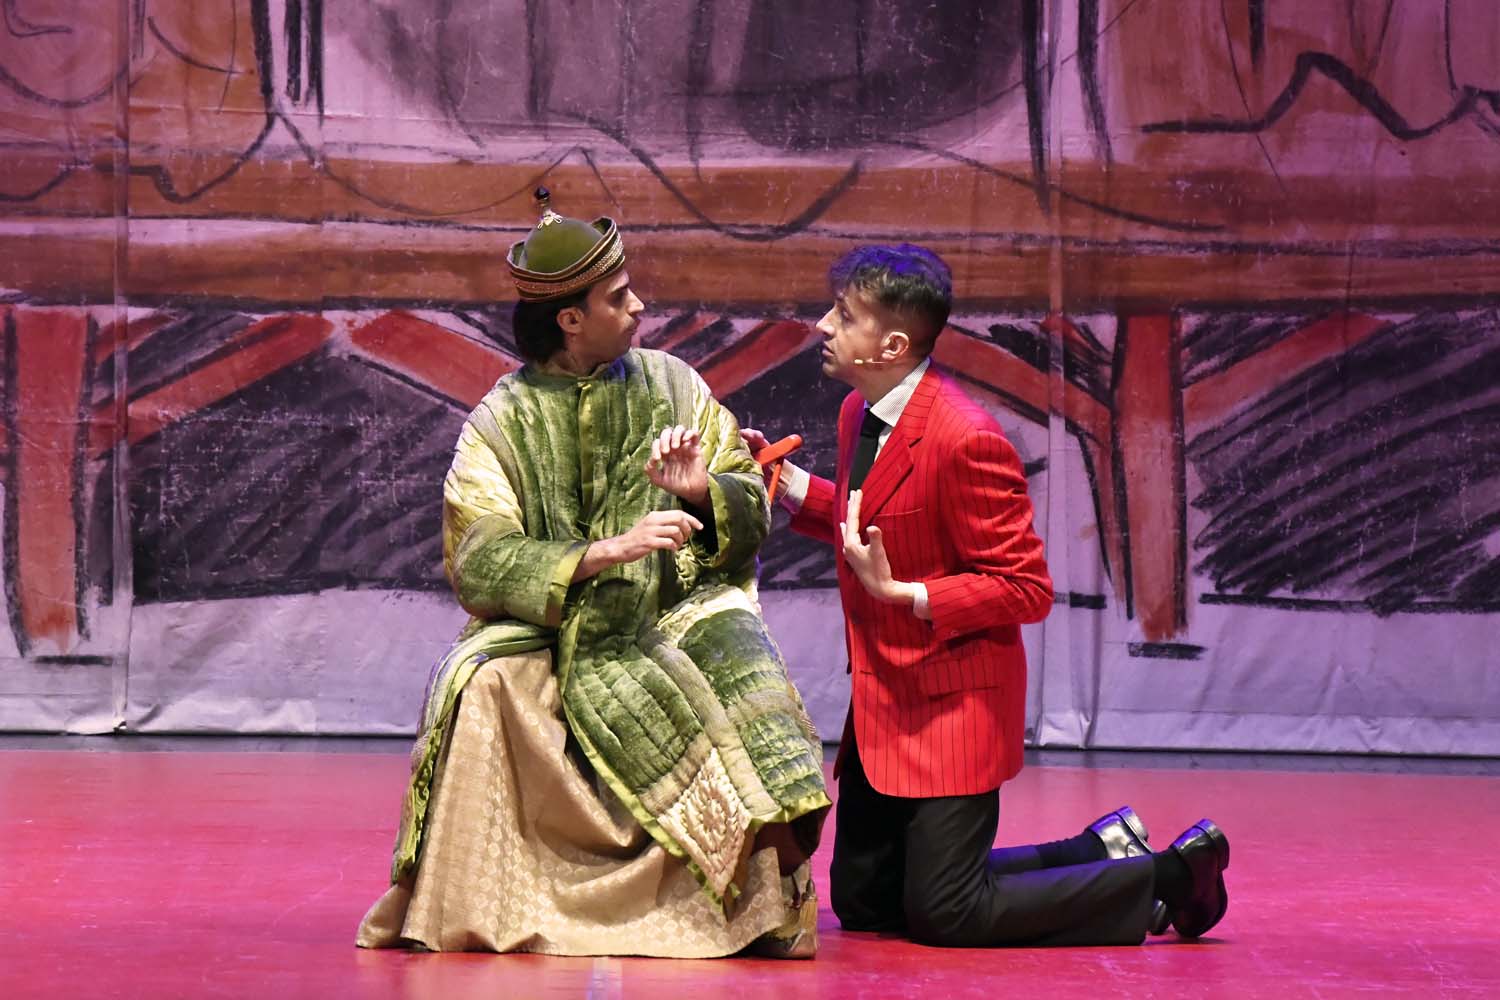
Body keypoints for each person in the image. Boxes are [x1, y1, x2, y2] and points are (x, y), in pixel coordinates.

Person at [357, 190, 830, 958]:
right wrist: (600, 554)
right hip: (553, 623)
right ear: (570, 319)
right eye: (619, 297)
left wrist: (700, 493)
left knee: (744, 662)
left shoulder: (673, 384)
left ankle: (757, 909)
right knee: (480, 683)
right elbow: (478, 557)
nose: (638, 306)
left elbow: (747, 500)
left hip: (672, 610)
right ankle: (490, 902)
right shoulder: (501, 421)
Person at [742, 244, 1229, 947]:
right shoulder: (859, 413)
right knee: (866, 903)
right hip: (887, 701)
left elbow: (1024, 588)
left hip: (952, 707)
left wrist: (906, 593)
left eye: (844, 316)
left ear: (893, 345)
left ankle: (1171, 875)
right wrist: (786, 484)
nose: (824, 325)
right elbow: (868, 526)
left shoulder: (965, 438)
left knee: (948, 913)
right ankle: (1095, 850)